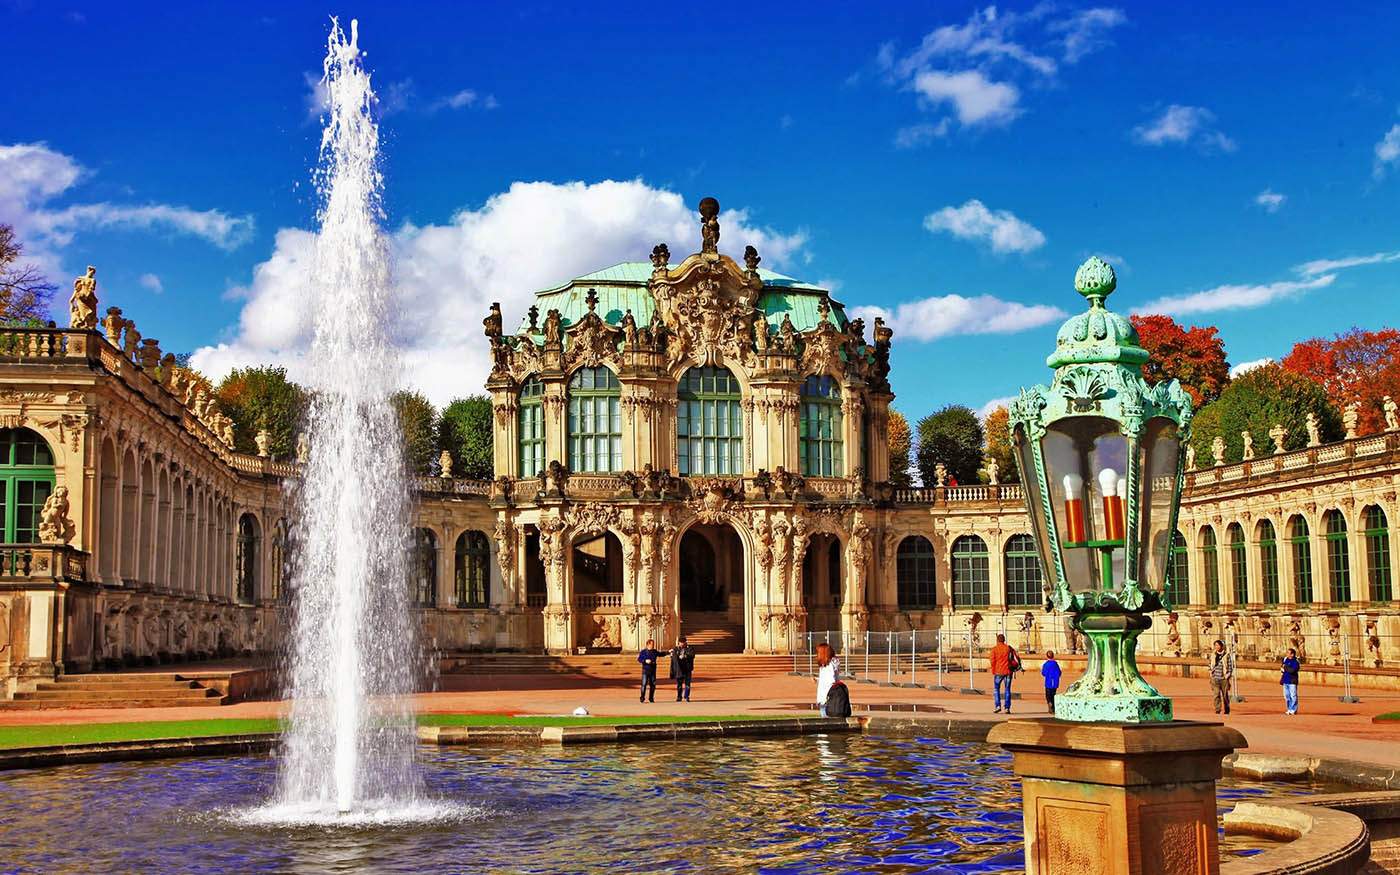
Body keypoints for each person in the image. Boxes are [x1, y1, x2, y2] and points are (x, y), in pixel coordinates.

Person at [990, 633, 1016, 714]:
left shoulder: (994, 649)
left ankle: (998, 705)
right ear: (1004, 640)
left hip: (998, 671)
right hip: (1008, 671)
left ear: (997, 640)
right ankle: (1007, 707)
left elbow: (992, 661)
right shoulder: (1008, 648)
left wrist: (993, 670)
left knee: (996, 689)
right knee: (1007, 689)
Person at [815, 642, 841, 717]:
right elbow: (827, 679)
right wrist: (818, 679)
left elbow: (831, 681)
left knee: (826, 719)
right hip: (829, 698)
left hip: (827, 699)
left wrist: (823, 699)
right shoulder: (827, 665)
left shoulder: (829, 666)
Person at [1207, 639, 1232, 715]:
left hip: (1223, 678)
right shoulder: (1213, 655)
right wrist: (1211, 673)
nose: (1216, 647)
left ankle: (1227, 709)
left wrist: (1227, 675)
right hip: (1215, 678)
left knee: (1225, 695)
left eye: (1218, 645)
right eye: (1215, 645)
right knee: (1216, 694)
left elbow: (1230, 666)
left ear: (1221, 646)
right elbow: (1209, 665)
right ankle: (1217, 709)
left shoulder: (1226, 655)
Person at [670, 636, 696, 702]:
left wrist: (685, 656)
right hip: (679, 669)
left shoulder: (690, 648)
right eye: (680, 643)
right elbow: (673, 658)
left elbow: (692, 655)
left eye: (683, 643)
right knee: (679, 684)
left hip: (687, 668)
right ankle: (679, 696)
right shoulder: (676, 649)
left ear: (685, 642)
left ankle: (687, 696)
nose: (681, 644)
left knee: (687, 684)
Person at [637, 638, 661, 703]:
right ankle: (642, 697)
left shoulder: (654, 651)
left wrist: (668, 652)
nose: (653, 645)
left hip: (653, 670)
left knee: (653, 685)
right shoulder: (643, 652)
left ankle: (651, 698)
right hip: (646, 670)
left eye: (653, 644)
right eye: (652, 644)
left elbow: (661, 654)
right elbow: (639, 659)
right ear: (648, 644)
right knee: (644, 684)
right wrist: (645, 661)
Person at [1280, 647, 1301, 715]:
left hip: (1292, 681)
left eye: (1289, 653)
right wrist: (1282, 678)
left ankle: (1293, 709)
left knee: (1293, 695)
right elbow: (1282, 669)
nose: (1287, 654)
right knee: (1287, 696)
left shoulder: (1295, 662)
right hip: (1285, 680)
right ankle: (1289, 709)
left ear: (1292, 654)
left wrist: (1285, 667)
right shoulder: (1285, 659)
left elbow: (1292, 670)